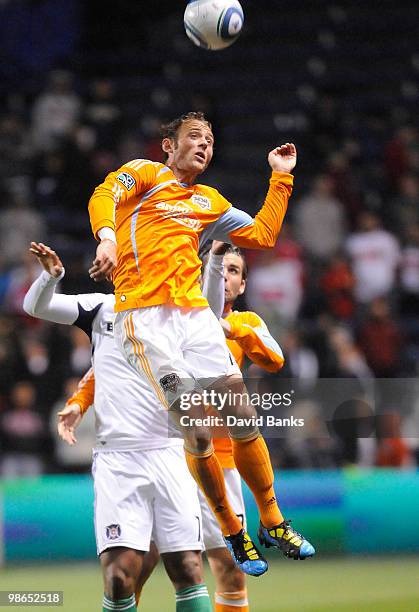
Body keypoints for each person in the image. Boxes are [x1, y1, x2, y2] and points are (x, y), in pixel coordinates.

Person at [87, 111, 315, 575]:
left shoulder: (208, 201)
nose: (204, 144)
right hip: (145, 319)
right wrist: (107, 239)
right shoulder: (147, 174)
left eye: (210, 139)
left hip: (193, 315)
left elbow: (263, 235)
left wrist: (280, 178)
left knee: (241, 413)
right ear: (168, 146)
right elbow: (104, 193)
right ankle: (234, 531)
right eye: (194, 136)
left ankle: (273, 520)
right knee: (196, 427)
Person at [23, 242, 212, 612]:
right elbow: (36, 306)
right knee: (119, 575)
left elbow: (186, 376)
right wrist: (51, 277)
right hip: (118, 458)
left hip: (170, 450)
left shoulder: (180, 313)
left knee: (188, 568)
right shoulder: (100, 308)